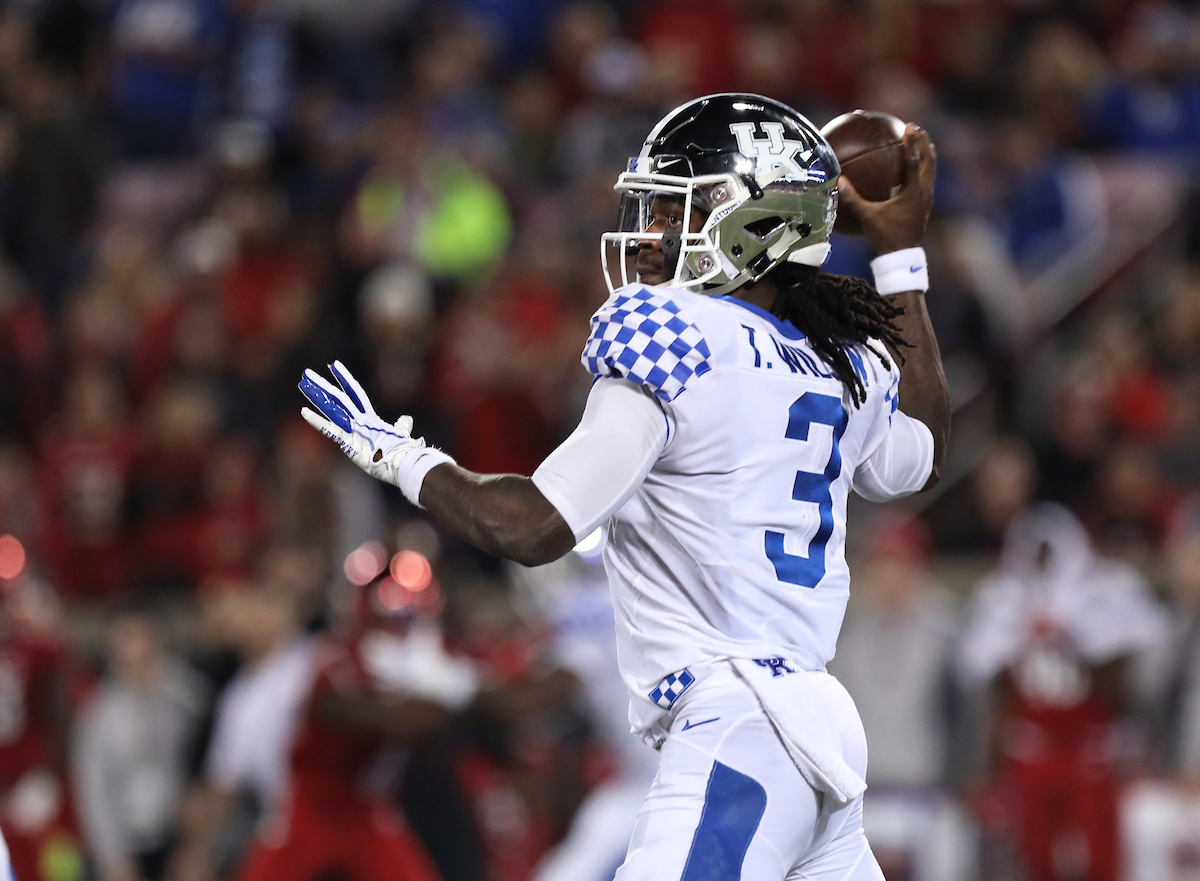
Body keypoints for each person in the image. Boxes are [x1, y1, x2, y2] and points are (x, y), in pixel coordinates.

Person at [301, 93, 948, 881]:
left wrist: (399, 456)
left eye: (680, 207)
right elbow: (923, 447)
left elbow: (538, 525)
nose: (650, 231)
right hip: (815, 726)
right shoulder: (836, 359)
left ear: (754, 222)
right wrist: (902, 257)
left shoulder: (678, 332)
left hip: (738, 722)